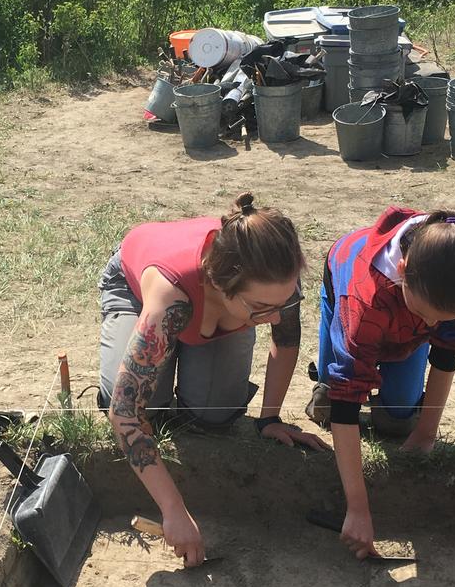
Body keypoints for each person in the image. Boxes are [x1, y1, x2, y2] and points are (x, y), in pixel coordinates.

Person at [97, 192, 325, 567]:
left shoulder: (275, 279)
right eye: (262, 309)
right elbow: (125, 414)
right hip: (138, 291)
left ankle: (182, 353)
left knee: (215, 415)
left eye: (280, 305)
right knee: (143, 404)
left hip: (212, 310)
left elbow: (285, 342)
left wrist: (269, 419)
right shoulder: (171, 298)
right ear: (222, 286)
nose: (273, 318)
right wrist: (173, 510)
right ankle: (167, 351)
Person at [306, 207, 455, 558]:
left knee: (399, 417)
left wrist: (425, 433)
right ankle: (322, 384)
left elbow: (448, 349)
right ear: (402, 271)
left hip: (401, 315)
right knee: (334, 395)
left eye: (442, 319)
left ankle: (401, 390)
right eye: (424, 313)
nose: (433, 322)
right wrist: (357, 509)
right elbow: (348, 398)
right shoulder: (362, 296)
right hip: (349, 283)